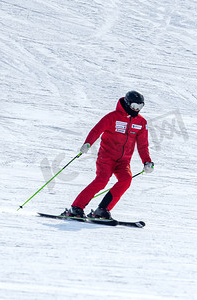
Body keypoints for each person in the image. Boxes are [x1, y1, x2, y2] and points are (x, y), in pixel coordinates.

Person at [62, 90, 154, 219]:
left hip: (123, 161)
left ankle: (102, 209)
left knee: (126, 180)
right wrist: (87, 144)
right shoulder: (112, 117)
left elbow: (143, 145)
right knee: (102, 180)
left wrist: (147, 161)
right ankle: (76, 208)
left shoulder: (141, 122)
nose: (136, 109)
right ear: (127, 104)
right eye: (134, 106)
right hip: (106, 157)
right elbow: (96, 130)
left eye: (139, 107)